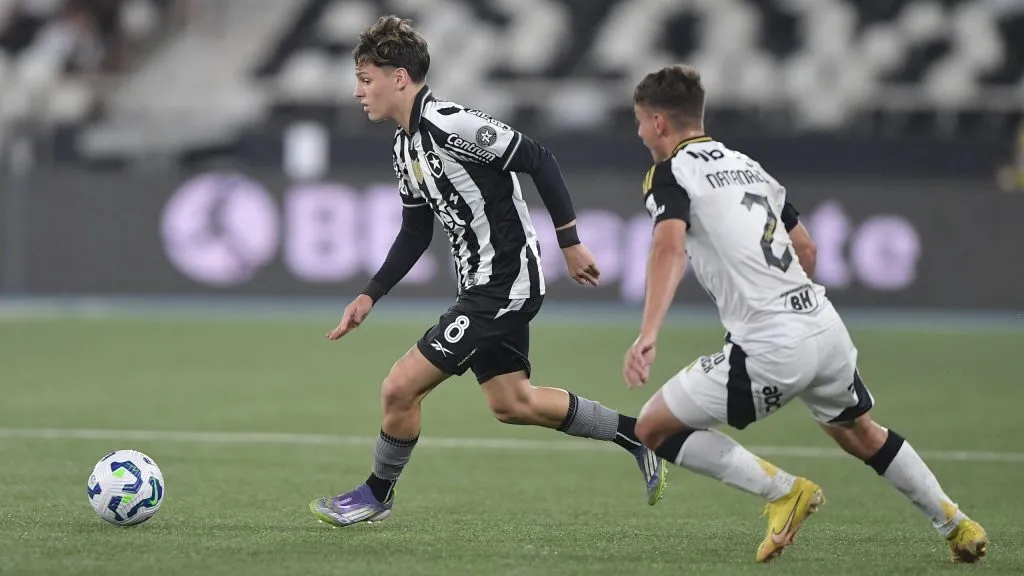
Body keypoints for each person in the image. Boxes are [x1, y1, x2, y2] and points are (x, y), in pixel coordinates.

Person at [621, 64, 989, 564]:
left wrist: (648, 332)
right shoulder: (748, 165)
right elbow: (807, 248)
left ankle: (783, 492)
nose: (640, 132)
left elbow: (668, 248)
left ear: (660, 123)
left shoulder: (669, 172)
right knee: (862, 433)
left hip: (771, 343)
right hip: (822, 324)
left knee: (653, 429)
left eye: (641, 121)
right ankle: (956, 524)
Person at [308, 15, 666, 527]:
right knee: (513, 402)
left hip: (505, 284)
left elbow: (539, 159)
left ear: (400, 78)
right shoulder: (405, 146)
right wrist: (370, 295)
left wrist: (571, 242)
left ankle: (376, 495)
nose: (358, 92)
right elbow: (415, 232)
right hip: (483, 285)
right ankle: (640, 435)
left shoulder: (451, 125)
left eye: (366, 80)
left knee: (399, 386)